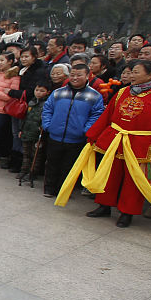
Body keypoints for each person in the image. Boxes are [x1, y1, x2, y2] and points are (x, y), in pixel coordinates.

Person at [60, 60, 151, 233]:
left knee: (134, 180)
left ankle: (127, 212)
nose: (132, 75)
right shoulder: (123, 91)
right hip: (115, 140)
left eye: (136, 72)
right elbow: (108, 115)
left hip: (140, 144)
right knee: (109, 174)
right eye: (131, 72)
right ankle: (104, 205)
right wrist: (93, 134)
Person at [42, 62, 106, 199]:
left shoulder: (94, 96)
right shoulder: (58, 92)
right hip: (55, 135)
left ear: (87, 76)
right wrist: (48, 125)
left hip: (77, 138)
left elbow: (96, 115)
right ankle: (49, 188)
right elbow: (47, 109)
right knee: (52, 163)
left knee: (69, 166)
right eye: (72, 75)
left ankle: (63, 190)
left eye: (79, 75)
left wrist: (86, 130)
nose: (75, 78)